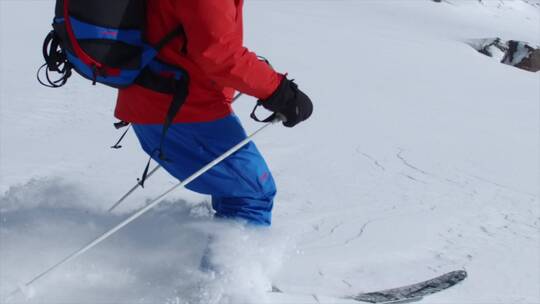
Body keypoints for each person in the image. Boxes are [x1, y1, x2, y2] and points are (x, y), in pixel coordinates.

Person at [114, 0, 313, 226]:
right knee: (251, 193)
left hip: (157, 102)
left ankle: (184, 255)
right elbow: (219, 55)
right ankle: (234, 261)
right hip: (183, 112)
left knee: (235, 190)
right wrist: (280, 92)